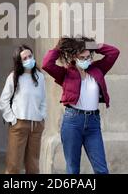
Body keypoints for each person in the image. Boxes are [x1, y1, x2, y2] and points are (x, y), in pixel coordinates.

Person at [42, 37, 120, 174]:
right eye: (82, 57)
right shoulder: (66, 73)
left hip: (93, 122)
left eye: (88, 56)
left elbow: (114, 52)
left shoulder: (97, 69)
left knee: (101, 169)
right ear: (74, 57)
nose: (86, 60)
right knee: (73, 169)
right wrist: (59, 47)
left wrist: (90, 44)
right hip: (72, 121)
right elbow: (47, 64)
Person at [0, 45, 46, 174]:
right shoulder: (14, 77)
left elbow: (43, 100)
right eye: (25, 58)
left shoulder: (40, 77)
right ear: (19, 61)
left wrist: (42, 116)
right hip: (19, 124)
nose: (28, 59)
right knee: (14, 165)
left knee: (33, 166)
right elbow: (3, 100)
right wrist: (12, 119)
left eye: (30, 56)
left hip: (36, 125)